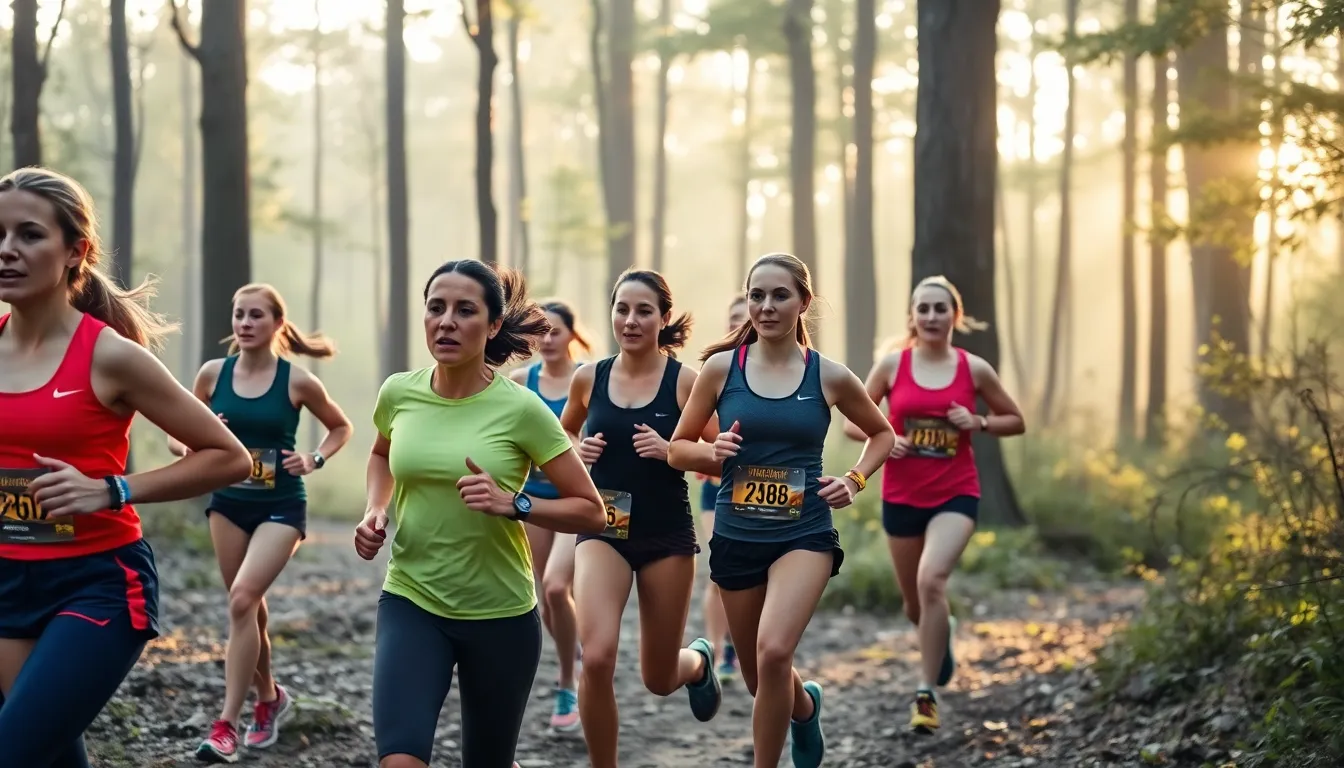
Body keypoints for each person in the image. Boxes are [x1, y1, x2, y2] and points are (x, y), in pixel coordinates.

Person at [0, 167, 253, 768]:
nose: (7, 249)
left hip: (97, 583)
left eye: (29, 235)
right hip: (8, 580)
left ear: (75, 252)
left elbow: (229, 457)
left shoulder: (111, 355)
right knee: (44, 752)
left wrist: (113, 489)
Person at [353, 259, 606, 768]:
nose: (446, 321)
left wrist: (516, 504)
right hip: (412, 599)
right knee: (399, 760)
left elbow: (591, 512)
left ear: (492, 327)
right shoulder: (399, 392)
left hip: (501, 614)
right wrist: (375, 509)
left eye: (464, 310)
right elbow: (381, 454)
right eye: (436, 308)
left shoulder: (523, 409)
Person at [668, 253, 895, 768]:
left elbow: (883, 433)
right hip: (736, 533)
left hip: (804, 533)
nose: (766, 306)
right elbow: (677, 448)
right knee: (758, 677)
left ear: (803, 304)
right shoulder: (721, 370)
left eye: (779, 296)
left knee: (773, 654)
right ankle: (806, 707)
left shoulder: (830, 376)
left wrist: (855, 480)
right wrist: (712, 452)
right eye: (756, 296)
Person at [174, 284, 354, 763]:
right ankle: (271, 699)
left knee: (241, 599)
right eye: (238, 315)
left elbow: (341, 427)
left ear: (277, 324)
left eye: (256, 315)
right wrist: (205, 439)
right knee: (247, 610)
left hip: (281, 506)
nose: (245, 323)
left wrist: (314, 458)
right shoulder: (213, 375)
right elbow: (180, 442)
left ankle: (226, 726)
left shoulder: (297, 382)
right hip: (229, 504)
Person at [842, 275, 1024, 734]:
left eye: (940, 308)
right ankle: (940, 636)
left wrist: (979, 420)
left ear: (954, 316)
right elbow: (851, 426)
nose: (931, 317)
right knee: (914, 604)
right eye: (923, 308)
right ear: (912, 316)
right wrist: (891, 437)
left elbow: (1015, 420)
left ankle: (926, 694)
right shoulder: (891, 367)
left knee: (932, 579)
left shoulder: (973, 369)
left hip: (956, 493)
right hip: (902, 496)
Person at [559, 269, 724, 768]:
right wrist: (576, 449)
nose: (630, 321)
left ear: (664, 318)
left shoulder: (685, 383)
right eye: (622, 309)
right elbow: (557, 437)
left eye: (643, 311)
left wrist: (672, 450)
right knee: (600, 655)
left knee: (657, 677)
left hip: (665, 535)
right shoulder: (589, 376)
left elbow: (720, 455)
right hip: (602, 527)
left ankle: (696, 665)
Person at [506, 299, 589, 732]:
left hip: (576, 504)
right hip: (534, 503)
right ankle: (572, 650)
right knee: (543, 598)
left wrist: (590, 451)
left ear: (573, 335)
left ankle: (567, 683)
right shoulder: (522, 382)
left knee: (558, 588)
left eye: (557, 331)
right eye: (541, 332)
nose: (549, 340)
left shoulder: (589, 379)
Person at [695, 296, 748, 683]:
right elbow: (689, 432)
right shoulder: (715, 372)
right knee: (718, 569)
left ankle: (742, 642)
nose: (740, 323)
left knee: (754, 572)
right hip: (718, 489)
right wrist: (706, 455)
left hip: (767, 490)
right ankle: (716, 649)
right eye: (733, 318)